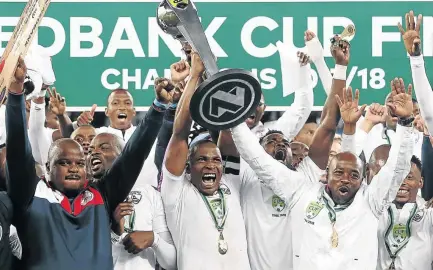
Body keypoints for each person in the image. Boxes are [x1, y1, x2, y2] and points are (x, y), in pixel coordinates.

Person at [231, 38, 415, 269]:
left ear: (363, 179)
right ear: (325, 173)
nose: (346, 178)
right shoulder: (301, 191)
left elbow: (396, 168)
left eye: (354, 176)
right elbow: (257, 159)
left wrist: (406, 122)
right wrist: (232, 117)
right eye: (338, 173)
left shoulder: (371, 201)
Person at [5, 56, 167, 270]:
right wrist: (16, 94)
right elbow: (18, 148)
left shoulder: (102, 195)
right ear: (47, 168)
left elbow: (134, 154)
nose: (74, 168)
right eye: (64, 162)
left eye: (80, 163)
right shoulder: (32, 193)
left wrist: (158, 107)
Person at [161, 52, 250, 269]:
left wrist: (208, 77)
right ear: (188, 167)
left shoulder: (231, 183)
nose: (211, 164)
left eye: (216, 160)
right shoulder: (177, 192)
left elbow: (227, 125)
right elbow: (180, 134)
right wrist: (193, 76)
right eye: (201, 159)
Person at [85, 132, 176, 270]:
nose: (94, 153)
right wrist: (114, 228)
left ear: (124, 156)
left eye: (104, 148)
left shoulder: (149, 194)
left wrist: (153, 240)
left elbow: (171, 263)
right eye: (90, 151)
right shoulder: (83, 196)